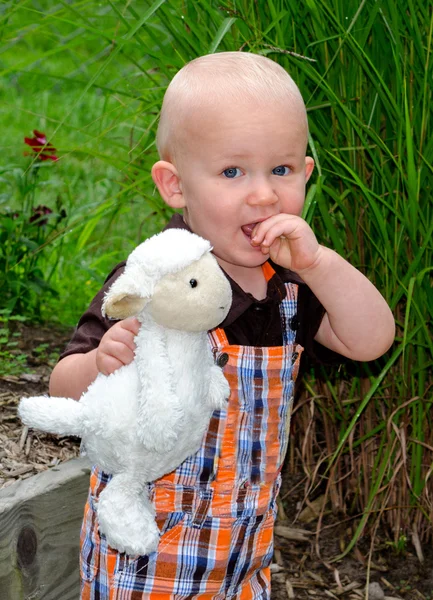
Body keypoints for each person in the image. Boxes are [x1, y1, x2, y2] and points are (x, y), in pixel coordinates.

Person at [50, 52, 395, 599]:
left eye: (280, 170)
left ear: (306, 174)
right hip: (144, 561)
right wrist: (99, 363)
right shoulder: (158, 279)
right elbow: (62, 385)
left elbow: (371, 340)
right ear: (175, 185)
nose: (262, 193)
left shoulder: (291, 285)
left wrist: (318, 264)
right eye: (232, 172)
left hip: (242, 560)